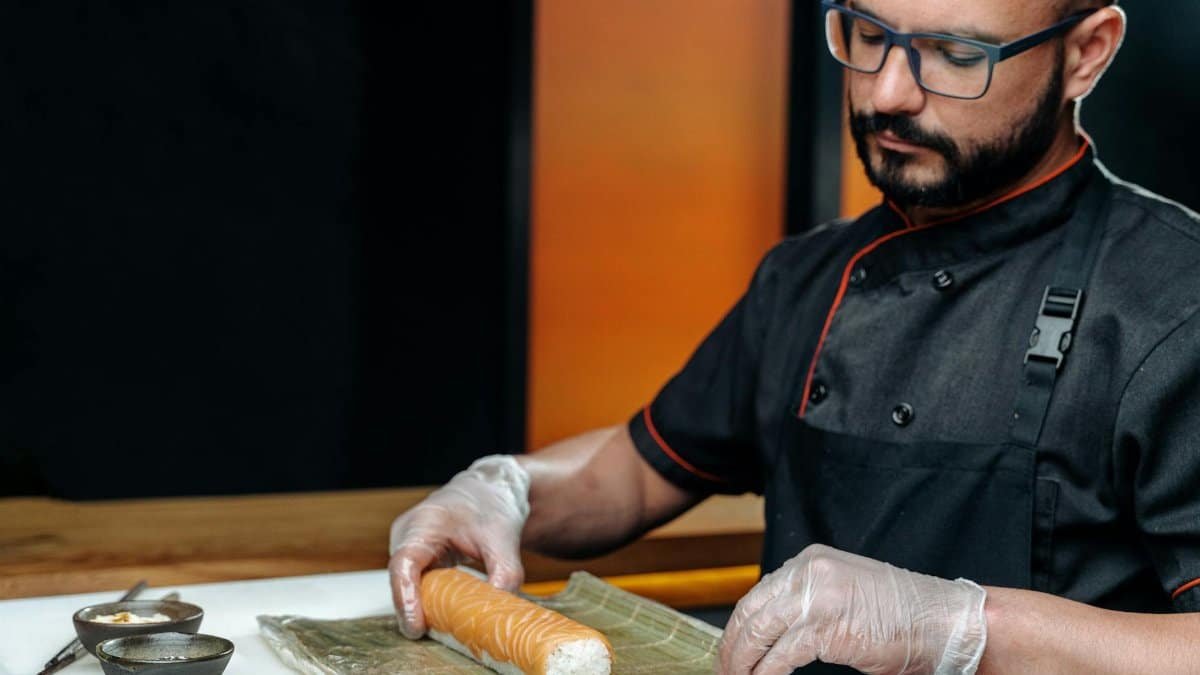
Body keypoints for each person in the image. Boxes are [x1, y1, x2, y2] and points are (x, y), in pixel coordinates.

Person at [388, 0, 1200, 672]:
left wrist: (964, 627)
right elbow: (636, 472)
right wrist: (505, 492)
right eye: (869, 35)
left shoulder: (1172, 302)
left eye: (954, 54)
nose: (886, 95)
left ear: (1087, 54)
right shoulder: (806, 278)